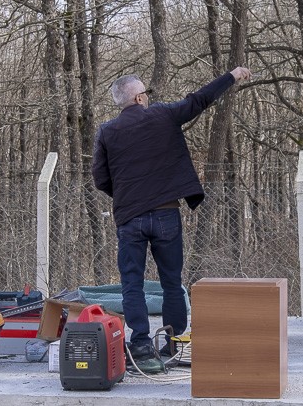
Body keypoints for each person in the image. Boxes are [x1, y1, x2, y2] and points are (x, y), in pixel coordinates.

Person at [92, 66, 252, 373]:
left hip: (130, 218)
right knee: (171, 283)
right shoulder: (164, 115)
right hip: (166, 213)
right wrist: (231, 76)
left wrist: (127, 194)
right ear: (139, 97)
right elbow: (200, 99)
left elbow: (100, 178)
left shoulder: (107, 132)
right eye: (146, 94)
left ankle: (140, 347)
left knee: (132, 285)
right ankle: (175, 343)